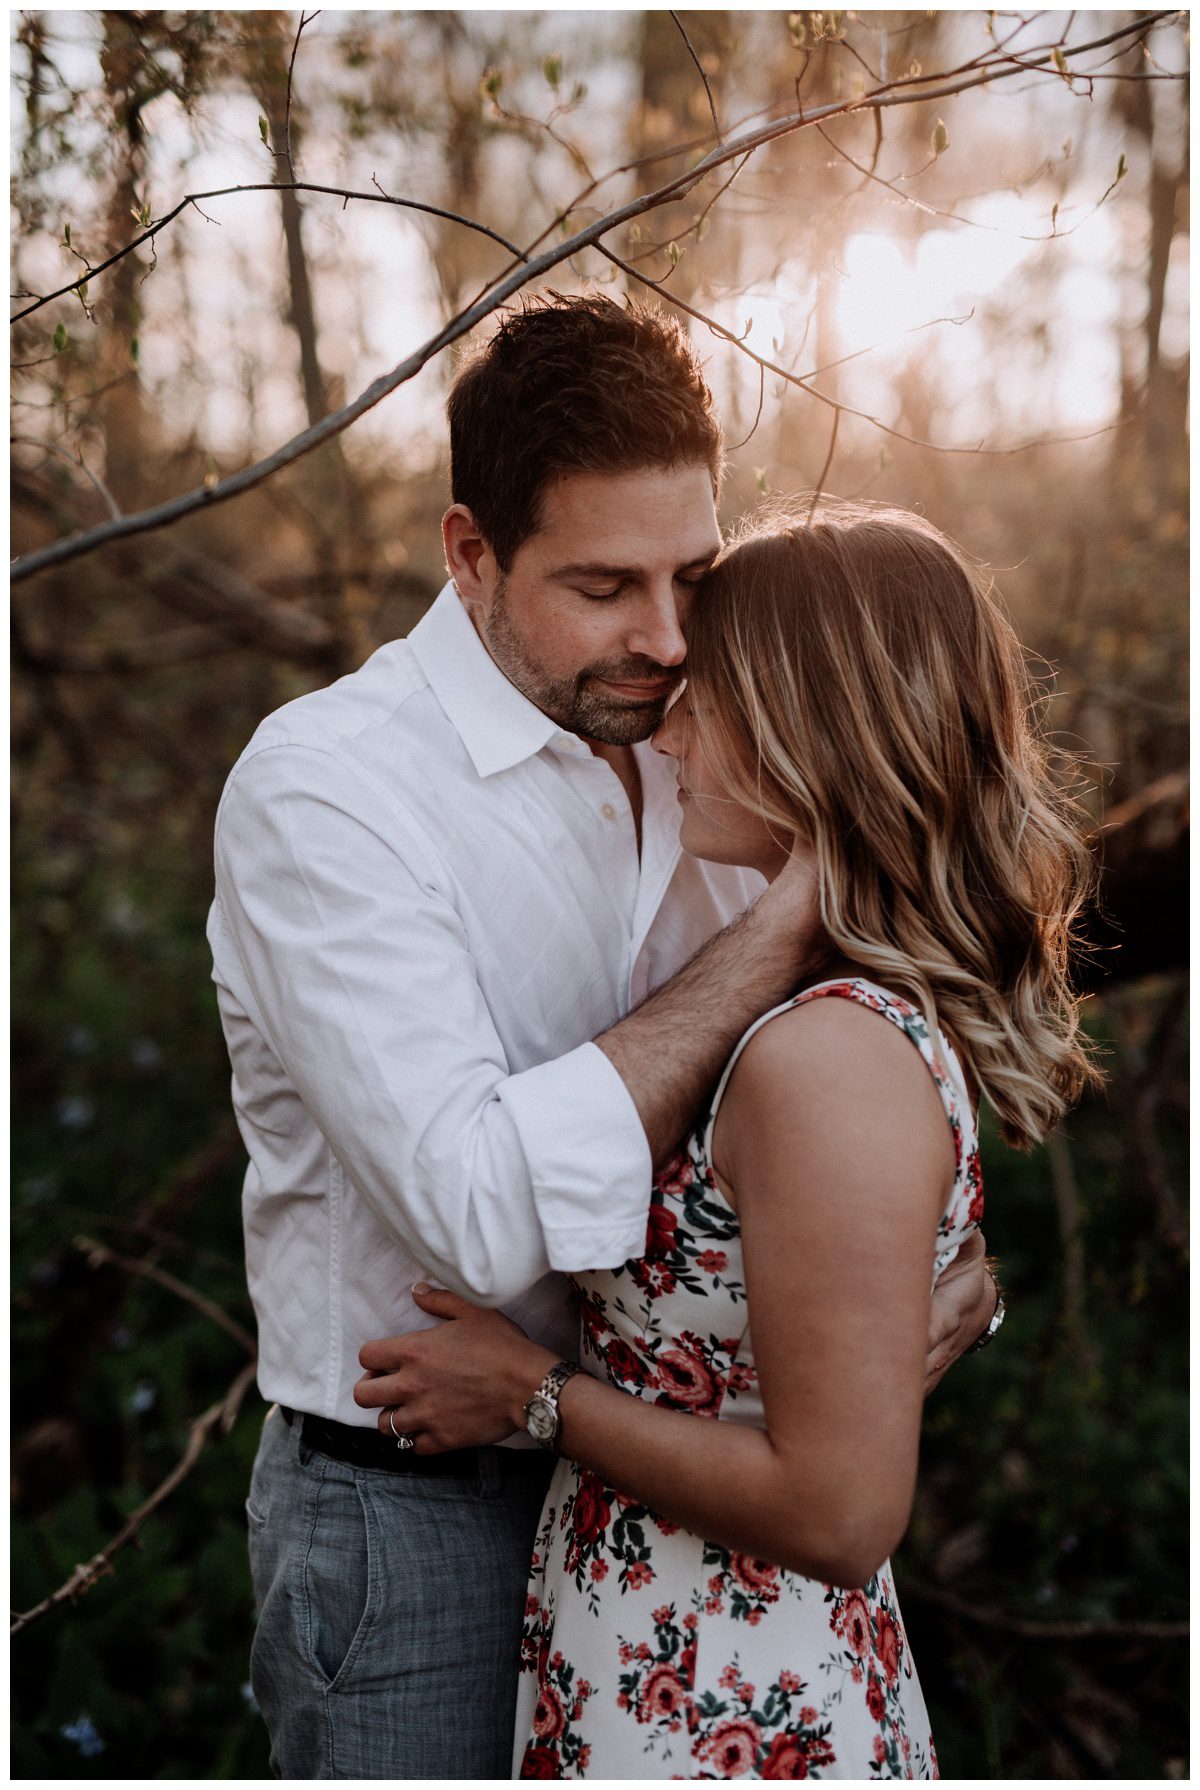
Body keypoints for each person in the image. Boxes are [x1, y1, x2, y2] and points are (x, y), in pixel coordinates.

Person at [209, 296, 995, 1779]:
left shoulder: (713, 740)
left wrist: (938, 1278)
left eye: (694, 571)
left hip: (692, 1529)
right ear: (470, 554)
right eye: (603, 584)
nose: (669, 636)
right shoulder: (332, 792)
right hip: (418, 1515)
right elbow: (485, 1220)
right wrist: (768, 932)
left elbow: (860, 1117)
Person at [355, 501, 1098, 1779]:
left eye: (712, 696)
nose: (671, 729)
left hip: (731, 1705)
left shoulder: (826, 1055)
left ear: (817, 728)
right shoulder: (815, 1008)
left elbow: (842, 1507)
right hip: (667, 1656)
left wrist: (531, 1396)